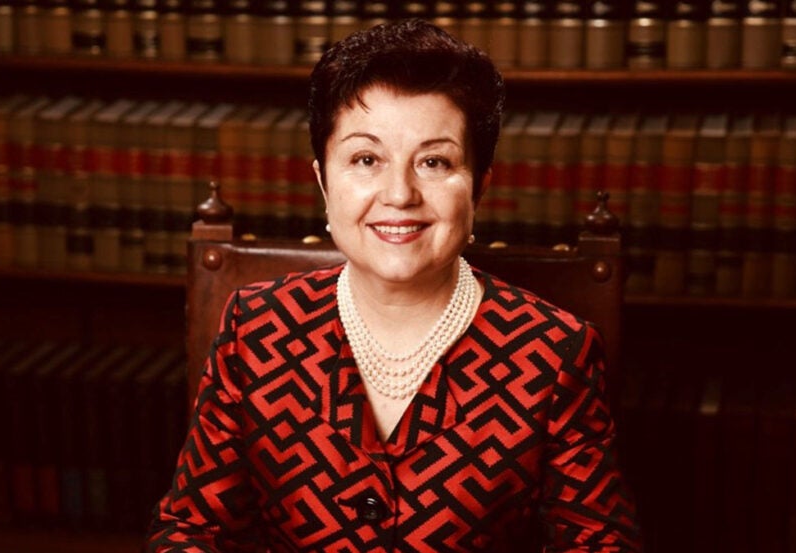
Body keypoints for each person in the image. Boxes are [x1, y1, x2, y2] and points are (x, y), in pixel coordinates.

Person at [147, 18, 641, 552]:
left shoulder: (555, 352)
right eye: (366, 159)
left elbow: (600, 544)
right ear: (323, 181)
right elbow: (191, 531)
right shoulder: (257, 328)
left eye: (434, 161)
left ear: (478, 187)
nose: (399, 194)